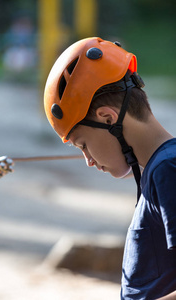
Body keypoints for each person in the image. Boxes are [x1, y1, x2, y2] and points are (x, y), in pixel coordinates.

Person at [43, 37, 176, 300]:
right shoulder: (158, 170)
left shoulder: (168, 169)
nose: (88, 160)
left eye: (83, 144)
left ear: (107, 118)